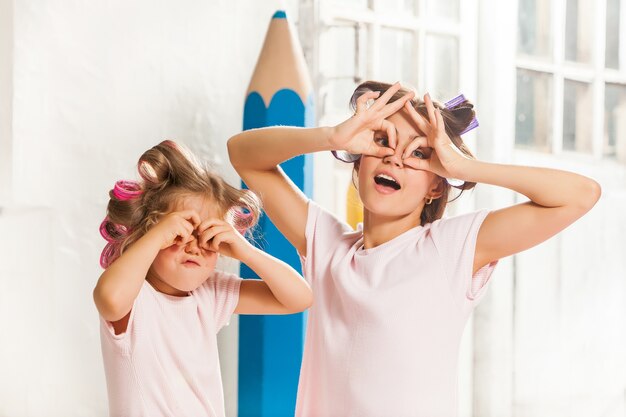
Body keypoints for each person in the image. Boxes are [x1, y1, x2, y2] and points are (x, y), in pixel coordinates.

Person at [227, 81, 601, 416]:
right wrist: (332, 137)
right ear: (358, 164)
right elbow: (243, 155)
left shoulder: (450, 249)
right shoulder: (328, 246)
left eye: (419, 154)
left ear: (436, 188)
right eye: (382, 142)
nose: (396, 158)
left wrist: (463, 166)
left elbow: (581, 195)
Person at [93, 140, 312, 417]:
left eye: (207, 237)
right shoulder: (134, 297)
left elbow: (299, 298)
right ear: (149, 234)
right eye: (179, 233)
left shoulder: (210, 293)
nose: (194, 246)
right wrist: (158, 234)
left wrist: (245, 251)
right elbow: (109, 299)